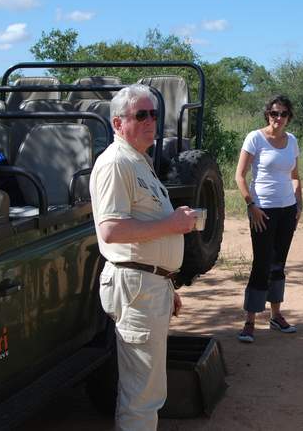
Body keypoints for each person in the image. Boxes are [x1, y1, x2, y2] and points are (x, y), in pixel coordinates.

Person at [89, 84, 198, 430]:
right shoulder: (116, 164)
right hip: (137, 287)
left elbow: (143, 231)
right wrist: (173, 223)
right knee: (142, 393)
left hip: (149, 285)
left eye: (153, 113)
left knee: (148, 387)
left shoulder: (138, 161)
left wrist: (166, 283)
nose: (151, 120)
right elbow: (111, 231)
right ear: (118, 123)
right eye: (141, 115)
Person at [234, 95, 303, 343]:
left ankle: (276, 316)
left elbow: (295, 176)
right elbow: (239, 176)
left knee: (278, 263)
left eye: (283, 114)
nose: (278, 118)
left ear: (288, 117)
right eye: (274, 113)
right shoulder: (255, 138)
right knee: (261, 263)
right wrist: (250, 205)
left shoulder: (292, 141)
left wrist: (299, 204)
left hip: (287, 209)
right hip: (262, 209)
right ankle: (250, 321)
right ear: (267, 114)